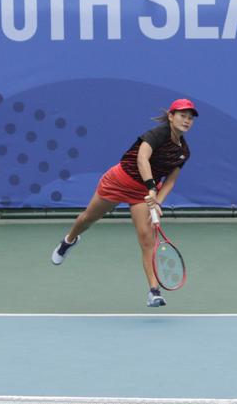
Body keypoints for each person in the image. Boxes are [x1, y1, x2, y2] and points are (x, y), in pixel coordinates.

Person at [50, 99, 198, 306]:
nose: (187, 120)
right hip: (118, 181)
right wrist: (151, 188)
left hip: (142, 194)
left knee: (147, 240)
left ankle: (154, 291)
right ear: (171, 116)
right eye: (183, 115)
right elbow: (142, 159)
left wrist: (158, 202)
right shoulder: (157, 135)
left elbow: (171, 181)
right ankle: (69, 240)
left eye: (190, 118)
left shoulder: (184, 152)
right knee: (87, 219)